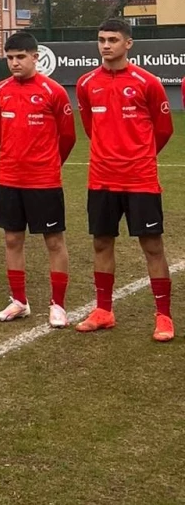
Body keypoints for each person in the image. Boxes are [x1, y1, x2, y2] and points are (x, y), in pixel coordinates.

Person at [76, 18, 174, 342]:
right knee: (101, 242)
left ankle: (163, 316)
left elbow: (164, 129)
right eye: (101, 39)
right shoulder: (86, 83)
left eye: (113, 40)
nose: (106, 45)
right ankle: (103, 311)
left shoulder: (148, 82)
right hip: (101, 178)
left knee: (152, 245)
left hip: (140, 179)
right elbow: (90, 128)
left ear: (128, 43)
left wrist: (139, 156)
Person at [0, 33, 76, 326]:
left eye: (21, 57)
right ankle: (19, 301)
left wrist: (49, 164)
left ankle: (58, 305)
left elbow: (67, 137)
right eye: (10, 58)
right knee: (12, 239)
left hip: (44, 181)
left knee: (54, 241)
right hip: (9, 178)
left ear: (35, 57)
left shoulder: (54, 91)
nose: (14, 62)